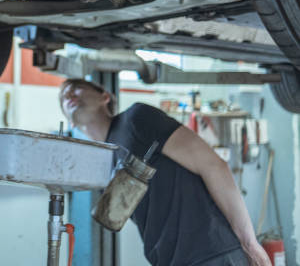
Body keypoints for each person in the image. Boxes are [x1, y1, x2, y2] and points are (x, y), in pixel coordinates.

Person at [59, 79, 271, 266]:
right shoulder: (104, 162)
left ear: (105, 96)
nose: (68, 95)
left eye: (75, 89)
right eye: (63, 98)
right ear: (70, 122)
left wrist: (250, 243)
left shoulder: (136, 119)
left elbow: (214, 165)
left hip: (212, 253)